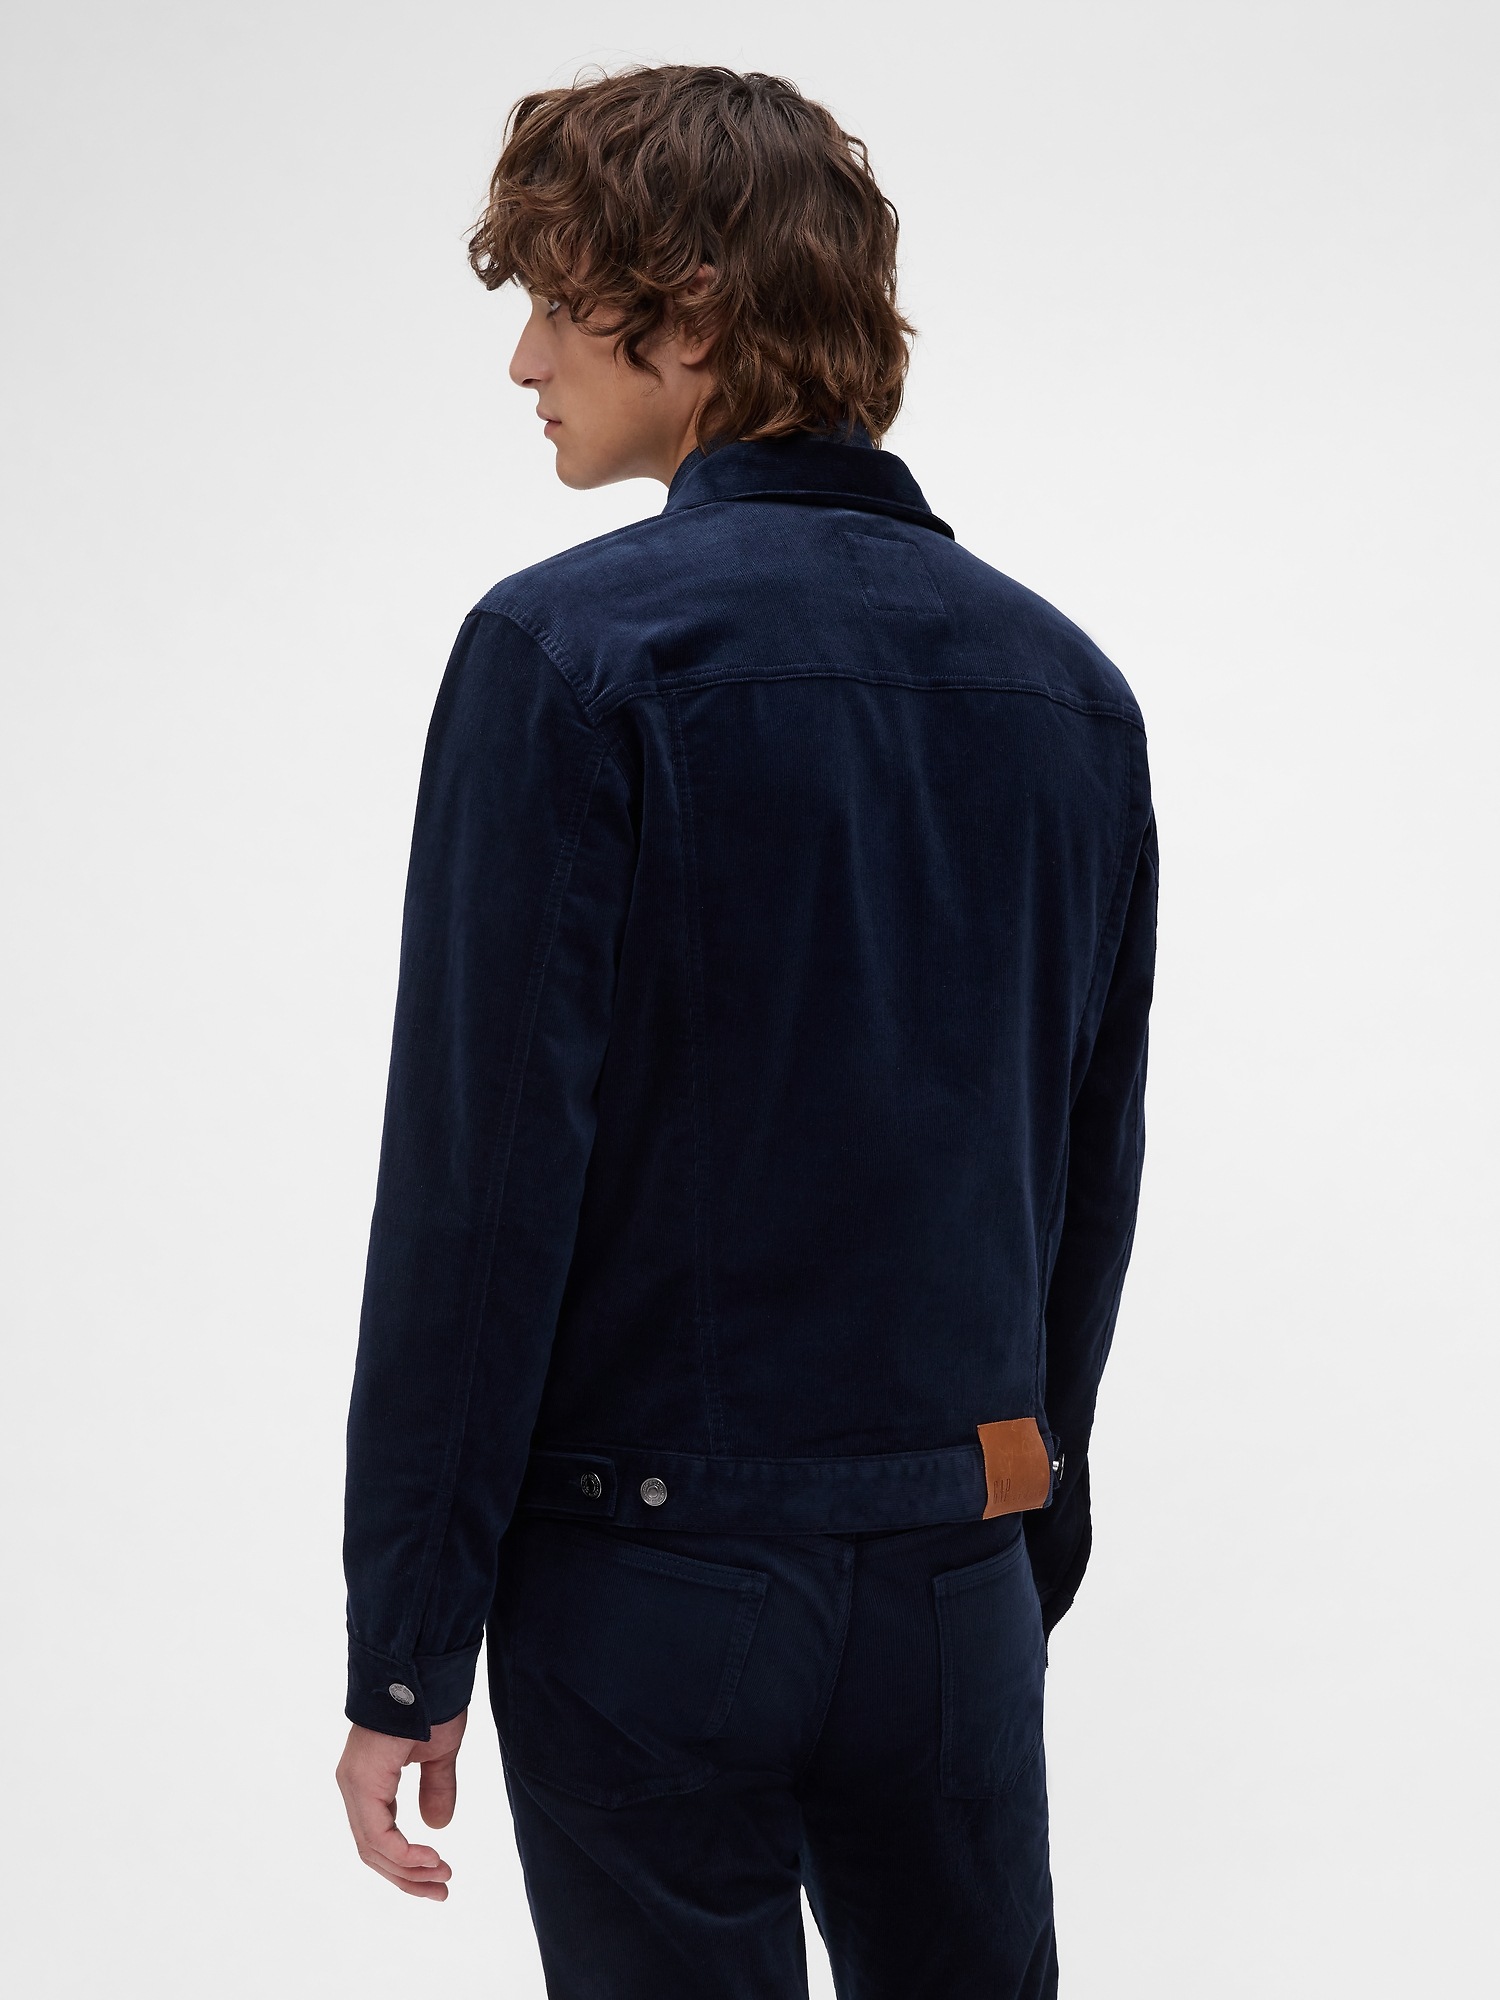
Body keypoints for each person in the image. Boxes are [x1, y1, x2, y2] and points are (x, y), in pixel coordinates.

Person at [335, 63, 1157, 2000]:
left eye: (558, 303)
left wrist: (406, 1647)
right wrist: (1013, 1537)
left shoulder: (567, 654)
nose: (526, 359)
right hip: (956, 1568)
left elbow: (479, 1183)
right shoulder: (1070, 690)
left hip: (651, 1584)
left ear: (688, 312)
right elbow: (1083, 1171)